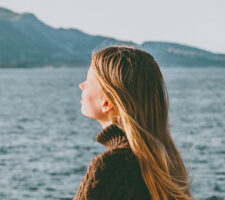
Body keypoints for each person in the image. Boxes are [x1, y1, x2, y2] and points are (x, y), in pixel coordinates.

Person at [74, 46, 192, 200]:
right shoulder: (165, 159)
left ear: (107, 103)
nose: (81, 85)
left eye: (88, 83)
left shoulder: (110, 165)